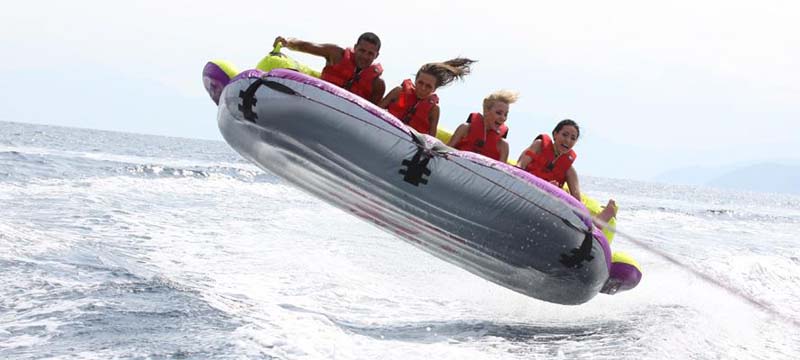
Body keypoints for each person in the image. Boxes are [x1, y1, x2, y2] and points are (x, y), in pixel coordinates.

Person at [516, 119, 617, 224]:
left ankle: (598, 221)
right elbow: (520, 165)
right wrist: (544, 186)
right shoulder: (539, 145)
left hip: (549, 202)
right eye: (564, 135)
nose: (568, 140)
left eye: (573, 138)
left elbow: (577, 202)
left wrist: (555, 191)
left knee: (571, 204)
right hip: (527, 190)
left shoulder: (569, 170)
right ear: (555, 134)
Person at [273, 32, 386, 104]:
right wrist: (287, 42)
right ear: (355, 48)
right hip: (315, 101)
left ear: (376, 55)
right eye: (362, 50)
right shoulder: (335, 54)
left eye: (370, 53)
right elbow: (305, 46)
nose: (365, 56)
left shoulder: (378, 85)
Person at [379, 58, 476, 136]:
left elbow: (431, 139)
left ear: (434, 89)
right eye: (420, 83)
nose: (423, 88)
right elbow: (375, 110)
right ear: (415, 80)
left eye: (428, 86)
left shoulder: (434, 109)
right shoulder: (398, 91)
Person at [446, 90, 518, 162]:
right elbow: (445, 153)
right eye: (499, 113)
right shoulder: (465, 129)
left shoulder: (503, 146)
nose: (503, 118)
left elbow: (501, 172)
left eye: (506, 114)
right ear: (486, 111)